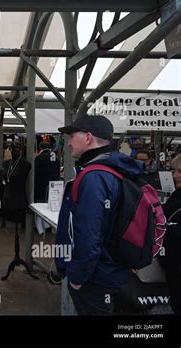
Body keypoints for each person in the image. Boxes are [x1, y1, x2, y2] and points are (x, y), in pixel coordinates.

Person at [55, 114, 143, 315]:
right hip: (113, 269)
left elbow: (88, 234)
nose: (68, 143)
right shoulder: (114, 169)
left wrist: (77, 277)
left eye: (71, 136)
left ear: (87, 137)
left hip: (96, 277)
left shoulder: (94, 176)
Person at [160, 154, 181, 314]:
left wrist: (167, 227)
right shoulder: (177, 195)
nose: (174, 175)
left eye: (179, 171)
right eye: (174, 171)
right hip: (173, 265)